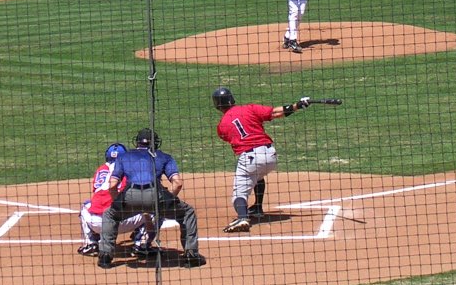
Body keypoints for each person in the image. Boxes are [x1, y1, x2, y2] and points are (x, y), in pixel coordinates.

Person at [96, 128, 205, 269]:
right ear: (155, 143)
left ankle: (105, 257)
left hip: (130, 196)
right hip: (156, 195)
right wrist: (168, 200)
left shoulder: (124, 157)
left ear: (137, 142)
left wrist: (119, 204)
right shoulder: (165, 157)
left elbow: (113, 185)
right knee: (187, 212)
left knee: (110, 215)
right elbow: (177, 183)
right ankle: (191, 256)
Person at [212, 86, 309, 232]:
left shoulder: (221, 126)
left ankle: (243, 218)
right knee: (257, 175)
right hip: (270, 155)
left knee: (239, 193)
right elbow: (276, 113)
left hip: (250, 158)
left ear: (218, 106)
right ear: (232, 99)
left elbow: (229, 137)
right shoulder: (249, 108)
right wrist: (297, 105)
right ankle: (257, 207)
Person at [77, 143, 153, 256]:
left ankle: (91, 243)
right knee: (152, 207)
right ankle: (141, 244)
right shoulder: (128, 169)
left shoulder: (100, 170)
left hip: (96, 224)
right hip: (120, 222)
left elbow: (98, 193)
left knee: (86, 205)